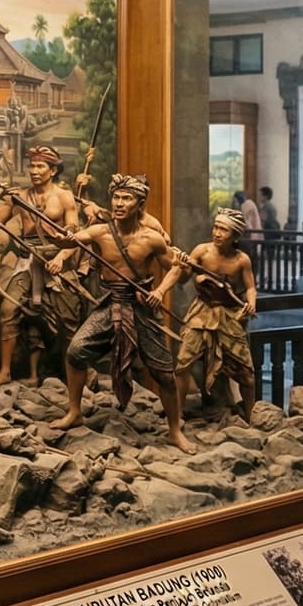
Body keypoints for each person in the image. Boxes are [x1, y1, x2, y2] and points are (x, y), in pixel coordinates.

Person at [48, 174, 191, 452]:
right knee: (76, 352)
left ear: (140, 204)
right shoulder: (100, 231)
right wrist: (60, 239)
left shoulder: (153, 238)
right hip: (110, 303)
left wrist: (161, 290)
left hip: (142, 308)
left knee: (163, 372)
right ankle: (74, 412)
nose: (119, 203)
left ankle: (175, 430)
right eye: (116, 197)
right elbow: (72, 241)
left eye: (127, 198)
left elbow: (176, 271)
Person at [0, 146, 82, 387]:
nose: (34, 171)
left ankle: (74, 375)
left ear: (52, 170)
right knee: (8, 311)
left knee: (69, 320)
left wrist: (61, 256)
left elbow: (76, 235)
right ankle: (5, 371)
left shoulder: (64, 197)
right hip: (27, 262)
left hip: (56, 261)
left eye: (40, 166)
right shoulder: (19, 196)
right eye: (32, 166)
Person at [176, 208, 258, 416]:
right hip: (201, 312)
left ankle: (251, 415)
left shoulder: (242, 260)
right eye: (216, 227)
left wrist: (251, 303)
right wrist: (184, 266)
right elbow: (184, 278)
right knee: (183, 364)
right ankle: (175, 416)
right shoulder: (202, 251)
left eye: (224, 230)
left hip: (229, 315)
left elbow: (250, 287)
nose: (217, 233)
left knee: (246, 373)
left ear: (235, 236)